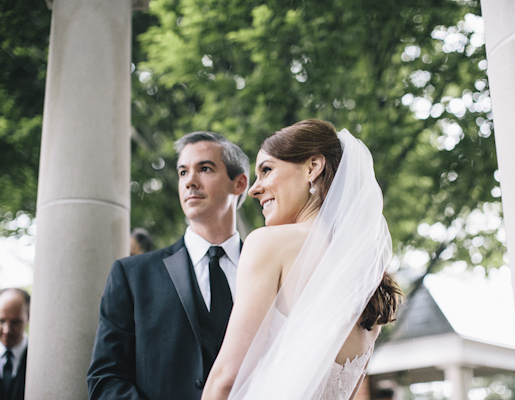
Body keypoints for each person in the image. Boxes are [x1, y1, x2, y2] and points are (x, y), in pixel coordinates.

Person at [202, 119, 403, 399]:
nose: (254, 189)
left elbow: (227, 377)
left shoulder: (268, 244)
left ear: (313, 167)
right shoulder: (369, 282)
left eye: (267, 170)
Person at [87, 131, 249, 399]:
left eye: (205, 168)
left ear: (239, 183)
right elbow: (105, 378)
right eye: (183, 172)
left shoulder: (275, 274)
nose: (190, 182)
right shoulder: (131, 276)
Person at [0, 288, 30, 400]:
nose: (7, 330)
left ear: (28, 317)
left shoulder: (38, 358)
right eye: (1, 321)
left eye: (15, 322)